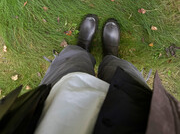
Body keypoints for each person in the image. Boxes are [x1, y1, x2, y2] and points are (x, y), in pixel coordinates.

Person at [0, 15, 179, 134]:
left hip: (55, 104)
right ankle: (110, 54)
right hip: (133, 112)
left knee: (72, 62)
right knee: (119, 70)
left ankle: (83, 47)